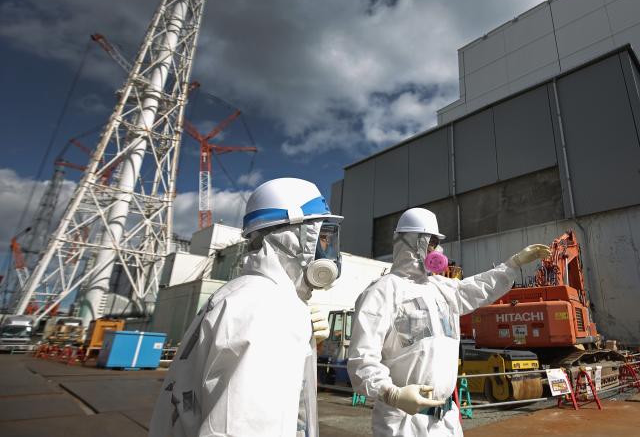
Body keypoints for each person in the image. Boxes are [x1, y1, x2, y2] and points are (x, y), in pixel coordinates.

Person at [149, 178, 342, 437]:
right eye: (323, 237)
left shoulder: (242, 295)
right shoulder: (269, 309)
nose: (327, 250)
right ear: (294, 238)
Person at [347, 207, 550, 436]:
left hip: (446, 420)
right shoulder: (382, 292)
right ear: (412, 242)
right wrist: (391, 393)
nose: (437, 250)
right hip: (403, 422)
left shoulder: (441, 288)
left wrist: (513, 264)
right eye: (431, 242)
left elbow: (478, 287)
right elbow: (362, 358)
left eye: (437, 242)